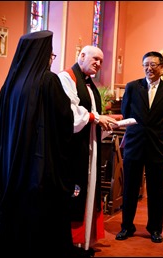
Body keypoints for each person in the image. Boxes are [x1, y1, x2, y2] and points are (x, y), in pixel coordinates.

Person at [0, 30, 78, 258]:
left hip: (10, 171)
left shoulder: (10, 84)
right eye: (50, 55)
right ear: (43, 54)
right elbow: (65, 121)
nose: (50, 59)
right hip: (38, 174)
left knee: (14, 227)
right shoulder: (47, 80)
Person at [58, 45, 118, 252]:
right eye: (95, 59)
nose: (99, 64)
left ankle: (85, 240)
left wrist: (104, 122)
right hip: (73, 149)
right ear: (81, 56)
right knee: (76, 192)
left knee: (90, 189)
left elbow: (92, 113)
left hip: (90, 145)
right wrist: (95, 118)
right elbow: (70, 114)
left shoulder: (90, 84)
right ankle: (72, 242)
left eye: (101, 61)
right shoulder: (67, 78)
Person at [115, 51, 163, 243]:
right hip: (134, 145)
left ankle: (155, 229)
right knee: (130, 188)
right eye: (146, 65)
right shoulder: (133, 87)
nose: (149, 68)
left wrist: (156, 131)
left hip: (156, 146)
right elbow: (126, 112)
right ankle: (127, 226)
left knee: (156, 190)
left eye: (153, 65)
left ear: (161, 67)